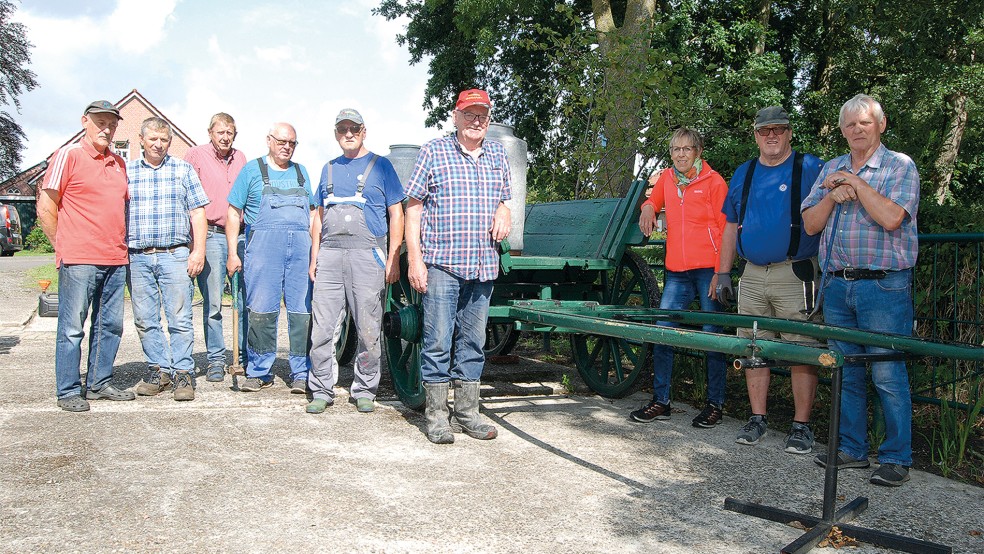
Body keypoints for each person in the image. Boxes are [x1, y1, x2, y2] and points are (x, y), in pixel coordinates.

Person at [802, 94, 920, 486]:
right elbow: (810, 225)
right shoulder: (830, 168)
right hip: (838, 285)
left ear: (880, 125)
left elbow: (891, 218)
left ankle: (896, 457)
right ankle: (851, 449)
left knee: (887, 374)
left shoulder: (899, 166)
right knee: (845, 373)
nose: (857, 130)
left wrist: (856, 182)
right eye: (850, 125)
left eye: (864, 123)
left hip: (884, 287)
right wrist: (833, 197)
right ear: (842, 130)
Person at [715, 106, 825, 454]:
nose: (772, 135)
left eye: (778, 129)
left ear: (790, 132)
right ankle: (757, 419)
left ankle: (801, 426)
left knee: (801, 348)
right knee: (753, 346)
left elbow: (828, 215)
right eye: (765, 131)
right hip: (752, 273)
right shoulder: (744, 173)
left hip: (795, 272)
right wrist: (722, 272)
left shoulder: (810, 167)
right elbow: (730, 225)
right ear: (756, 135)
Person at [405, 88, 511, 444]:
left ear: (488, 119)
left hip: (483, 265)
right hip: (443, 265)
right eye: (469, 114)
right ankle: (436, 416)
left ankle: (467, 413)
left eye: (482, 115)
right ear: (456, 115)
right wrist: (415, 259)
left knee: (473, 343)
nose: (476, 120)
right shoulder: (434, 151)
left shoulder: (497, 154)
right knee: (436, 341)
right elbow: (413, 207)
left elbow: (504, 201)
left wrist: (504, 210)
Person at [36, 100, 135, 411]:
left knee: (110, 326)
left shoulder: (119, 163)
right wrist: (63, 246)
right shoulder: (68, 155)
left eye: (111, 124)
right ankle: (67, 390)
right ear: (85, 122)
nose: (106, 128)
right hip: (79, 259)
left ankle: (98, 382)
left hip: (115, 259)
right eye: (100, 122)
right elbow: (46, 205)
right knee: (71, 327)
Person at [307, 109, 405, 414]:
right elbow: (318, 217)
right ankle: (321, 389)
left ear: (364, 131)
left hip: (368, 255)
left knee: (367, 326)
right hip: (331, 254)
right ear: (336, 133)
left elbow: (397, 214)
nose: (348, 133)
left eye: (354, 128)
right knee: (322, 328)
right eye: (342, 129)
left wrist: (393, 258)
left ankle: (365, 388)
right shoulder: (328, 169)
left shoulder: (382, 166)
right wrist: (315, 257)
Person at [632, 128, 728, 428]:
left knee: (712, 335)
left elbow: (727, 230)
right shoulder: (667, 179)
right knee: (663, 332)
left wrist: (721, 272)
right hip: (677, 271)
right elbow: (653, 200)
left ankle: (715, 405)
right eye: (676, 149)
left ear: (698, 151)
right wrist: (648, 207)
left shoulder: (714, 182)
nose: (681, 154)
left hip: (708, 270)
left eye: (687, 149)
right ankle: (662, 400)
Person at [226, 123, 317, 393]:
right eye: (281, 141)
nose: (286, 147)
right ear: (269, 140)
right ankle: (258, 370)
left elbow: (313, 215)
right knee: (262, 311)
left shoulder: (301, 173)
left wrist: (315, 254)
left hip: (300, 251)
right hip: (263, 251)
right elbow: (233, 212)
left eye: (292, 143)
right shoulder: (252, 171)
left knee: (302, 312)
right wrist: (233, 253)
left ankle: (301, 371)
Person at [127, 117, 210, 401]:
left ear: (170, 142)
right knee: (145, 318)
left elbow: (198, 212)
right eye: (153, 139)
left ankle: (184, 373)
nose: (158, 145)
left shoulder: (183, 170)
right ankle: (159, 370)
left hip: (175, 254)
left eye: (163, 140)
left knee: (179, 318)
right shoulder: (127, 172)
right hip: (137, 257)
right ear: (141, 140)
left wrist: (198, 251)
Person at [184, 113, 248, 382]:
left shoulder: (241, 158)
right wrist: (193, 243)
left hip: (240, 235)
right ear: (210, 132)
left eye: (230, 133)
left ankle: (242, 355)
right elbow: (186, 197)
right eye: (220, 132)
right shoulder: (195, 156)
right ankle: (215, 359)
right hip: (210, 235)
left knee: (242, 299)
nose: (225, 137)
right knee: (213, 302)